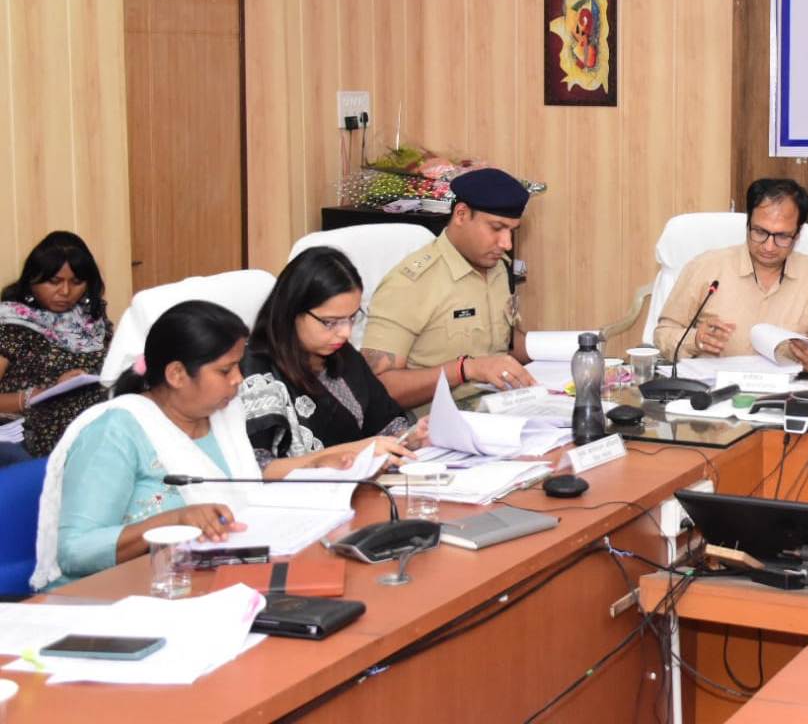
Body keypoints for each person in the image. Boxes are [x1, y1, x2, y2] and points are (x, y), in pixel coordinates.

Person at [32, 301, 393, 589]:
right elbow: (75, 551)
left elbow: (245, 494)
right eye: (225, 370)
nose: (239, 379)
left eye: (239, 366)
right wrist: (173, 521)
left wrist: (315, 467)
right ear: (176, 374)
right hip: (120, 595)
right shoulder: (115, 432)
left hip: (213, 581)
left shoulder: (223, 414)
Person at [362, 167, 537, 408]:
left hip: (499, 407)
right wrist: (465, 370)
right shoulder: (411, 284)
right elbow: (376, 389)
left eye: (512, 231)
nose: (506, 243)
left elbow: (505, 342)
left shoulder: (498, 268)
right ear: (461, 215)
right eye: (496, 228)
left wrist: (570, 347)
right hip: (435, 420)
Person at [240, 246, 427, 464]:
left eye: (352, 318)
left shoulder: (342, 354)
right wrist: (358, 450)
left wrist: (411, 438)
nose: (345, 332)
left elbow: (385, 425)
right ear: (292, 310)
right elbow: (259, 468)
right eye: (330, 322)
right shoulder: (257, 373)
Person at [652, 178, 808, 370]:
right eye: (760, 232)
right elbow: (663, 334)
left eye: (782, 236)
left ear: (797, 235)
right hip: (713, 385)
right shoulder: (705, 267)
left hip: (785, 386)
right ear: (748, 224)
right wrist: (695, 339)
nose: (769, 246)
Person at [0, 231, 114, 461]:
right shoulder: (11, 323)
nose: (65, 292)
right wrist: (39, 394)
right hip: (32, 435)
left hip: (96, 428)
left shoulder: (92, 321)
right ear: (32, 279)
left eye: (77, 282)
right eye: (54, 282)